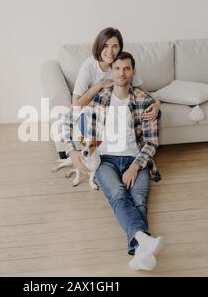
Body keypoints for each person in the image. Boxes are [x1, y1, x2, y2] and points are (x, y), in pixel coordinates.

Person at [62, 52, 164, 271]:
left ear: (133, 72)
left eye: (127, 68)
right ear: (111, 71)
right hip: (105, 161)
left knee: (138, 197)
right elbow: (66, 120)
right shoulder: (100, 98)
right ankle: (142, 240)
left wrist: (136, 166)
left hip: (135, 158)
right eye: (117, 68)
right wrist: (72, 152)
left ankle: (139, 250)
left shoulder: (144, 101)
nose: (122, 73)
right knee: (118, 193)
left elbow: (152, 142)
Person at [72, 27, 161, 122]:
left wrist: (157, 105)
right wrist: (100, 85)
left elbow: (145, 93)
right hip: (98, 112)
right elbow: (76, 105)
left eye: (114, 46)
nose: (110, 52)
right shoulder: (88, 67)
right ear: (99, 46)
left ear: (120, 48)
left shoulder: (124, 64)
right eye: (105, 46)